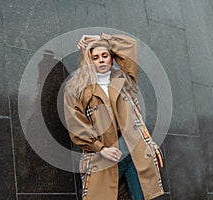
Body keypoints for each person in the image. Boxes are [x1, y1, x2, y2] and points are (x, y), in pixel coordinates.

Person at [64, 33, 164, 200]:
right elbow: (76, 125)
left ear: (112, 58)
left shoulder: (124, 80)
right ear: (89, 61)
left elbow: (130, 46)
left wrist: (102, 38)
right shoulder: (77, 88)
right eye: (95, 57)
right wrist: (100, 148)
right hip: (103, 156)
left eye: (105, 55)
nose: (101, 60)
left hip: (134, 153)